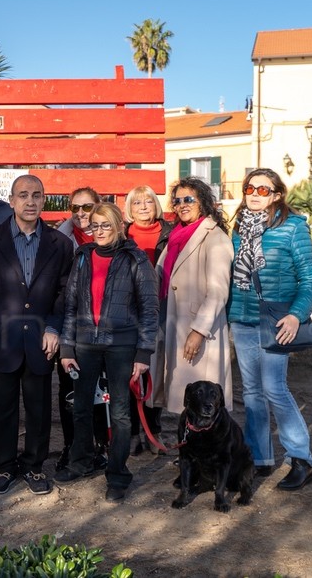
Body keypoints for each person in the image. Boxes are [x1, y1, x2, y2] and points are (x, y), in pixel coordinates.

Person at [0, 175, 72, 496]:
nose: (30, 201)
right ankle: (4, 466)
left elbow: (64, 292)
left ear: (44, 200)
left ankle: (33, 466)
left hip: (41, 341)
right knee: (1, 407)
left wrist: (54, 328)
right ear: (11, 200)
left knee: (39, 408)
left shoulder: (60, 244)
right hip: (1, 340)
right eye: (23, 195)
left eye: (36, 195)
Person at [55, 202, 159, 503]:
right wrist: (67, 346)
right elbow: (70, 305)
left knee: (120, 413)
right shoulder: (83, 257)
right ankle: (81, 462)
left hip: (122, 345)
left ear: (119, 227)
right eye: (95, 225)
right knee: (81, 407)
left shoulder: (136, 259)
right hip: (85, 343)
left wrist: (143, 353)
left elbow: (149, 309)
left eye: (106, 225)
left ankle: (117, 474)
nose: (99, 231)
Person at [228, 168, 312, 490]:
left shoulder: (292, 227)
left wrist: (296, 315)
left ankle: (301, 458)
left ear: (277, 195)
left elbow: (311, 278)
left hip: (277, 322)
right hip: (242, 319)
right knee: (251, 392)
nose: (254, 194)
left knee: (274, 389)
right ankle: (259, 458)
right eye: (249, 188)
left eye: (263, 190)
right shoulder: (238, 228)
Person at [151, 177, 234, 419]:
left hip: (199, 330)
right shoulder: (176, 236)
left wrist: (198, 331)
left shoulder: (215, 238)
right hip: (173, 322)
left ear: (203, 202)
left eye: (189, 199)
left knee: (203, 403)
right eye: (177, 201)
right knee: (186, 402)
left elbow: (218, 291)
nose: (182, 205)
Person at [54, 186, 108, 470]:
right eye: (75, 207)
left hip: (103, 326)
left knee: (101, 389)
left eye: (87, 207)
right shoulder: (60, 240)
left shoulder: (111, 236)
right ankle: (71, 445)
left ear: (97, 206)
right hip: (71, 326)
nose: (80, 213)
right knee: (69, 389)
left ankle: (101, 446)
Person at [124, 185, 174, 455]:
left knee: (155, 371)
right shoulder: (122, 235)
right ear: (129, 210)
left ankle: (154, 429)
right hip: (128, 312)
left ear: (156, 205)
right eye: (137, 203)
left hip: (161, 310)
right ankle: (133, 430)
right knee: (130, 372)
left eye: (148, 201)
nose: (143, 207)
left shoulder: (171, 234)